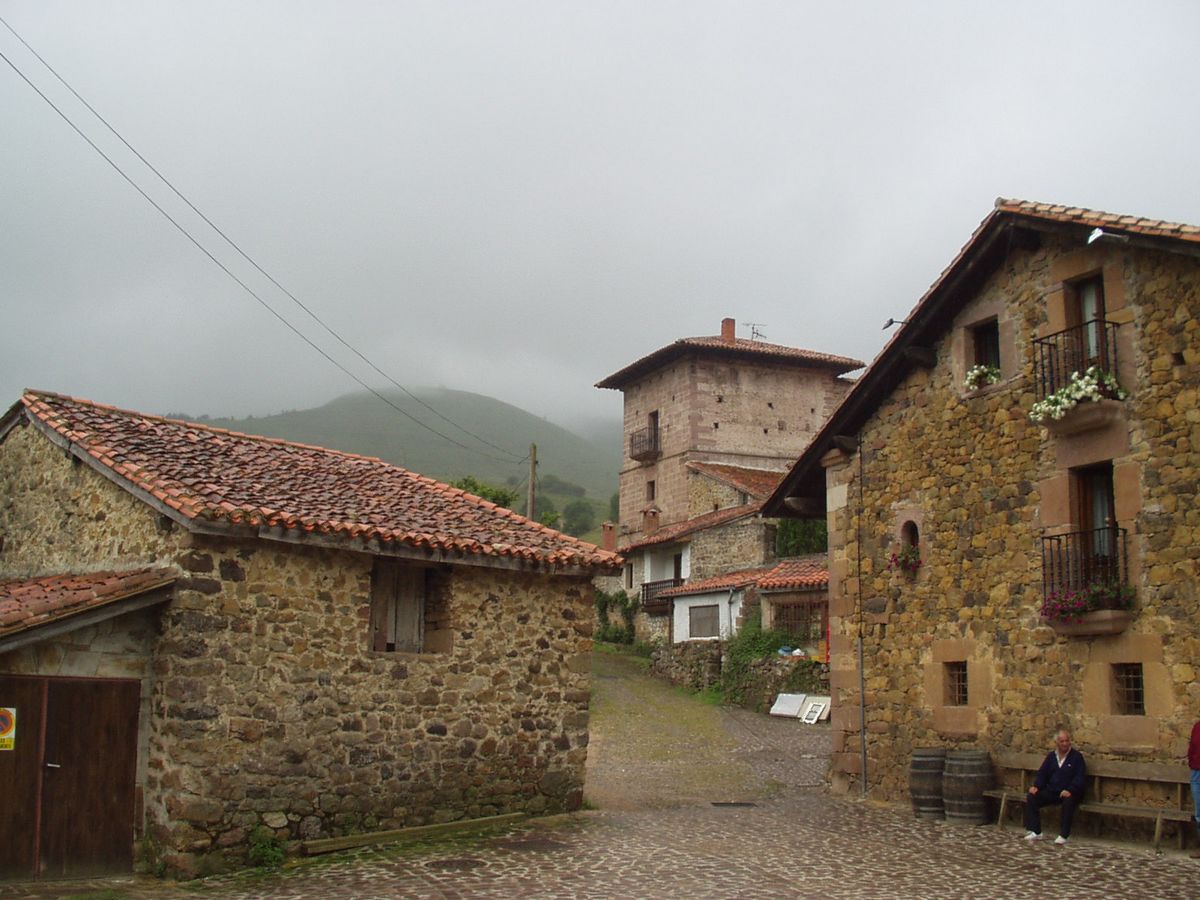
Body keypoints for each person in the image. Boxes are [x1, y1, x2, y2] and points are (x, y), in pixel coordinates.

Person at [1024, 729, 1086, 845]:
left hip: (1070, 792)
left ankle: (1064, 834)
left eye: (1067, 741)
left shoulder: (1077, 757)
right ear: (1056, 742)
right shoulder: (1051, 757)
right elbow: (1043, 773)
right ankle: (1036, 831)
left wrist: (1070, 790)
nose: (1065, 744)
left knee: (1068, 801)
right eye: (1062, 741)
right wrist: (1037, 786)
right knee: (1032, 797)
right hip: (1053, 791)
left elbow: (1080, 778)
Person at [1189, 719, 1200, 859]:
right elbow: (1192, 747)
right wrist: (1192, 763)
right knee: (1199, 813)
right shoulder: (1197, 727)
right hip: (1196, 772)